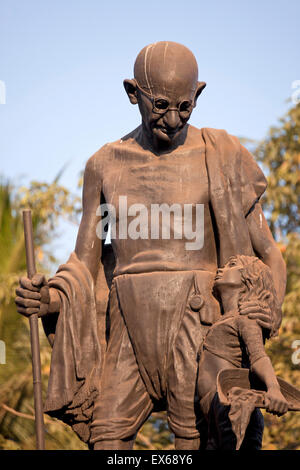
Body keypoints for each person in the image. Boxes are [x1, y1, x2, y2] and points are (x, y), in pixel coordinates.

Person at [15, 41, 286, 450]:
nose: (173, 120)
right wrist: (49, 300)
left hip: (201, 318)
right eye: (159, 105)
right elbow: (83, 264)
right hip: (127, 320)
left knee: (196, 437)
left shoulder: (224, 156)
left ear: (198, 95)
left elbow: (268, 254)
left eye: (185, 106)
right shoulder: (105, 164)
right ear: (132, 93)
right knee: (106, 438)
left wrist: (265, 312)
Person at [197, 254, 288, 449]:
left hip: (234, 411)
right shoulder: (225, 320)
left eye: (232, 265)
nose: (221, 269)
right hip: (213, 414)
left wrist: (274, 388)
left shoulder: (246, 318)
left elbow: (259, 357)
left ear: (249, 278)